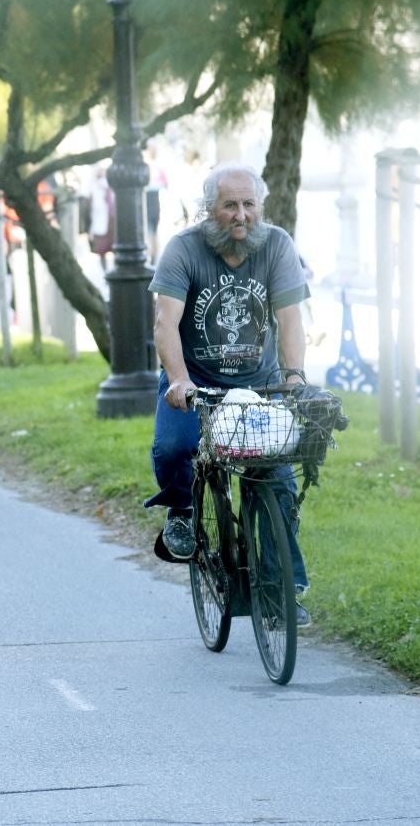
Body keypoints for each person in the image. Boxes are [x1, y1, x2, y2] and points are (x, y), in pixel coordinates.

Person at [144, 161, 313, 626]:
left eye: (248, 205)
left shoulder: (277, 244)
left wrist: (295, 375)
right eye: (229, 206)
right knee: (176, 446)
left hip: (259, 384)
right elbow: (166, 324)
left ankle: (283, 589)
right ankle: (180, 509)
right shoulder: (183, 249)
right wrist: (178, 379)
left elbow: (290, 319)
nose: (241, 215)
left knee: (277, 479)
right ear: (209, 210)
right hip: (194, 381)